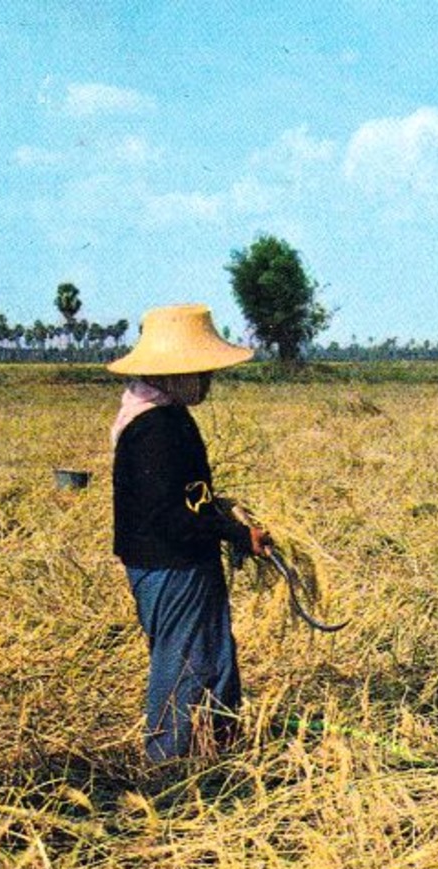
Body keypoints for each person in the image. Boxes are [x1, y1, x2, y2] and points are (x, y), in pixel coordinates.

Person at [109, 304, 271, 763]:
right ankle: (169, 770)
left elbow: (183, 498)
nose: (207, 381)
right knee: (183, 667)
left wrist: (219, 512)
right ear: (175, 372)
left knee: (214, 658)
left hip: (185, 558)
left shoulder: (166, 414)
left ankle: (218, 753)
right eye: (201, 372)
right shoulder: (154, 428)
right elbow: (169, 514)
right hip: (170, 562)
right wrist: (236, 533)